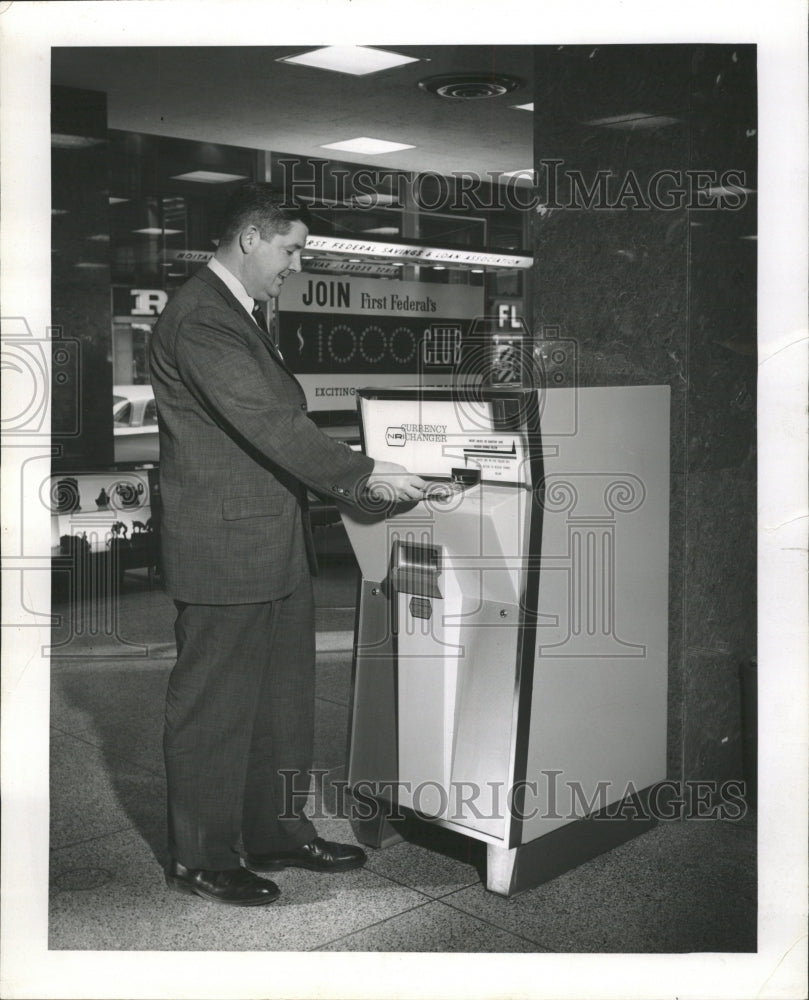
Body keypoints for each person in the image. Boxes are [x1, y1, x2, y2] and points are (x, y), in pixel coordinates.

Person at [150, 183, 426, 906]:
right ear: (249, 238)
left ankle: (276, 832)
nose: (296, 264)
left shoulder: (237, 311)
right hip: (225, 548)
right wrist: (363, 476)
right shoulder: (202, 319)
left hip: (269, 542)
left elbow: (269, 425)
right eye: (290, 248)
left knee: (280, 703)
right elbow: (270, 424)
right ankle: (201, 856)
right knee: (215, 710)